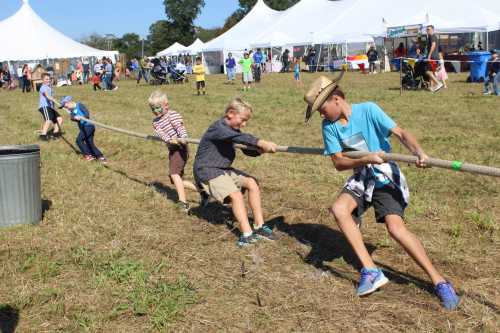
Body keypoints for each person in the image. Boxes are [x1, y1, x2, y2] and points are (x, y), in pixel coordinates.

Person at [303, 75, 460, 310]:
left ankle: (440, 282)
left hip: (385, 175)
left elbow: (400, 133)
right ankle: (371, 270)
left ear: (336, 99)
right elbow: (338, 162)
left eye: (322, 109)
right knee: (339, 209)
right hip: (361, 175)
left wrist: (419, 152)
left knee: (396, 228)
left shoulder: (369, 110)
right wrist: (366, 158)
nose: (321, 115)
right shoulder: (329, 126)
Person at [193, 97, 278, 247]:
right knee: (236, 195)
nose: (244, 124)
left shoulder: (232, 130)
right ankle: (247, 234)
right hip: (207, 169)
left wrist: (260, 150)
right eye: (243, 120)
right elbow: (241, 138)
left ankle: (259, 226)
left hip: (223, 169)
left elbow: (245, 147)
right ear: (231, 113)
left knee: (252, 183)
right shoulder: (218, 127)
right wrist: (261, 142)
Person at [149, 90, 197, 213]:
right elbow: (162, 134)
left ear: (166, 105)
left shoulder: (173, 115)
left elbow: (180, 129)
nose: (155, 111)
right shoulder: (155, 122)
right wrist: (170, 140)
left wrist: (182, 139)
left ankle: (183, 203)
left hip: (180, 148)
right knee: (174, 178)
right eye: (152, 109)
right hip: (172, 148)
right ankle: (202, 190)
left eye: (158, 108)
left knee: (174, 174)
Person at [59, 96, 106, 163]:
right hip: (83, 128)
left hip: (88, 126)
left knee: (79, 140)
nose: (66, 108)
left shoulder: (79, 105)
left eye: (65, 106)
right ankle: (100, 156)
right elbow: (72, 118)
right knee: (89, 142)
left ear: (69, 102)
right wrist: (75, 118)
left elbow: (87, 114)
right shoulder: (72, 110)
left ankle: (88, 155)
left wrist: (81, 117)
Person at [38, 73, 63, 141]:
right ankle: (43, 136)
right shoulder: (43, 87)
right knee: (48, 120)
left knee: (59, 119)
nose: (48, 80)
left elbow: (52, 99)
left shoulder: (50, 88)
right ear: (42, 80)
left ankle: (54, 134)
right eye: (46, 79)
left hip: (50, 107)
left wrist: (54, 106)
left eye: (49, 79)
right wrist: (56, 102)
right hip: (45, 106)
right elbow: (48, 96)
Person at [425, 25, 443, 92]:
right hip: (434, 57)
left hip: (433, 57)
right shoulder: (430, 37)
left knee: (427, 71)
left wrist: (429, 55)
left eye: (429, 29)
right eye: (427, 29)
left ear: (432, 30)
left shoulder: (432, 36)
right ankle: (432, 88)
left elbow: (433, 45)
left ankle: (438, 83)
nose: (427, 30)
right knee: (431, 72)